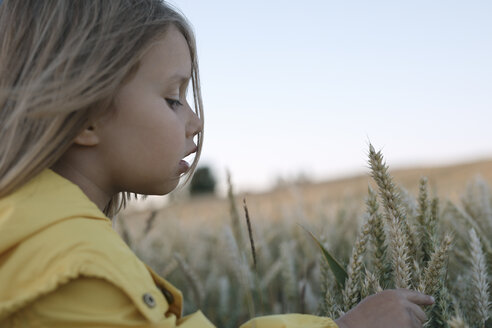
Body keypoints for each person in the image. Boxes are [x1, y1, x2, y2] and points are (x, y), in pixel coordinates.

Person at [0, 1, 434, 327]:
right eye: (173, 98)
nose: (196, 120)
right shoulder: (78, 269)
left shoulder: (37, 237)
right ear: (86, 114)